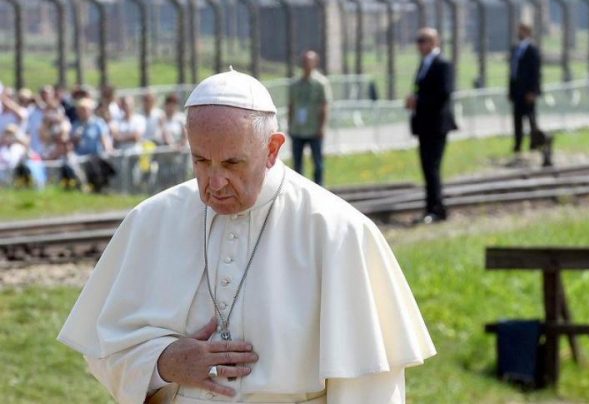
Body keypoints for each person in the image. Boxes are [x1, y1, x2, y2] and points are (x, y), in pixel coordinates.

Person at [58, 68, 435, 404]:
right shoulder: (152, 220)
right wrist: (163, 363)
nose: (214, 182)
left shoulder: (338, 232)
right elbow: (106, 348)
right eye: (201, 161)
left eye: (232, 163)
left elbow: (369, 388)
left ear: (272, 149)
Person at [405, 28, 457, 224]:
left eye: (423, 40)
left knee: (432, 167)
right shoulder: (425, 64)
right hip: (424, 125)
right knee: (427, 168)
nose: (419, 45)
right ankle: (431, 207)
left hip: (436, 125)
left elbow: (443, 93)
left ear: (434, 42)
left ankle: (436, 209)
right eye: (418, 41)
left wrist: (419, 101)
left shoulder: (442, 63)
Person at [288, 51, 332, 186]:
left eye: (309, 61)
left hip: (314, 129)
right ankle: (298, 189)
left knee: (317, 162)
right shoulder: (295, 84)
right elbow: (291, 105)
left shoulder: (321, 83)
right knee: (297, 163)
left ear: (315, 63)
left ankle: (319, 187)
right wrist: (290, 125)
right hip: (298, 129)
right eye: (304, 61)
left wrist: (322, 127)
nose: (306, 64)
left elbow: (324, 106)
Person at [508, 23, 542, 154]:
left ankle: (534, 144)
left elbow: (536, 73)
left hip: (528, 92)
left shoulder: (532, 50)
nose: (519, 32)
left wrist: (533, 91)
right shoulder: (515, 49)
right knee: (517, 119)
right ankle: (517, 145)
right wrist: (510, 91)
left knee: (531, 119)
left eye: (521, 30)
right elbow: (512, 72)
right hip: (517, 91)